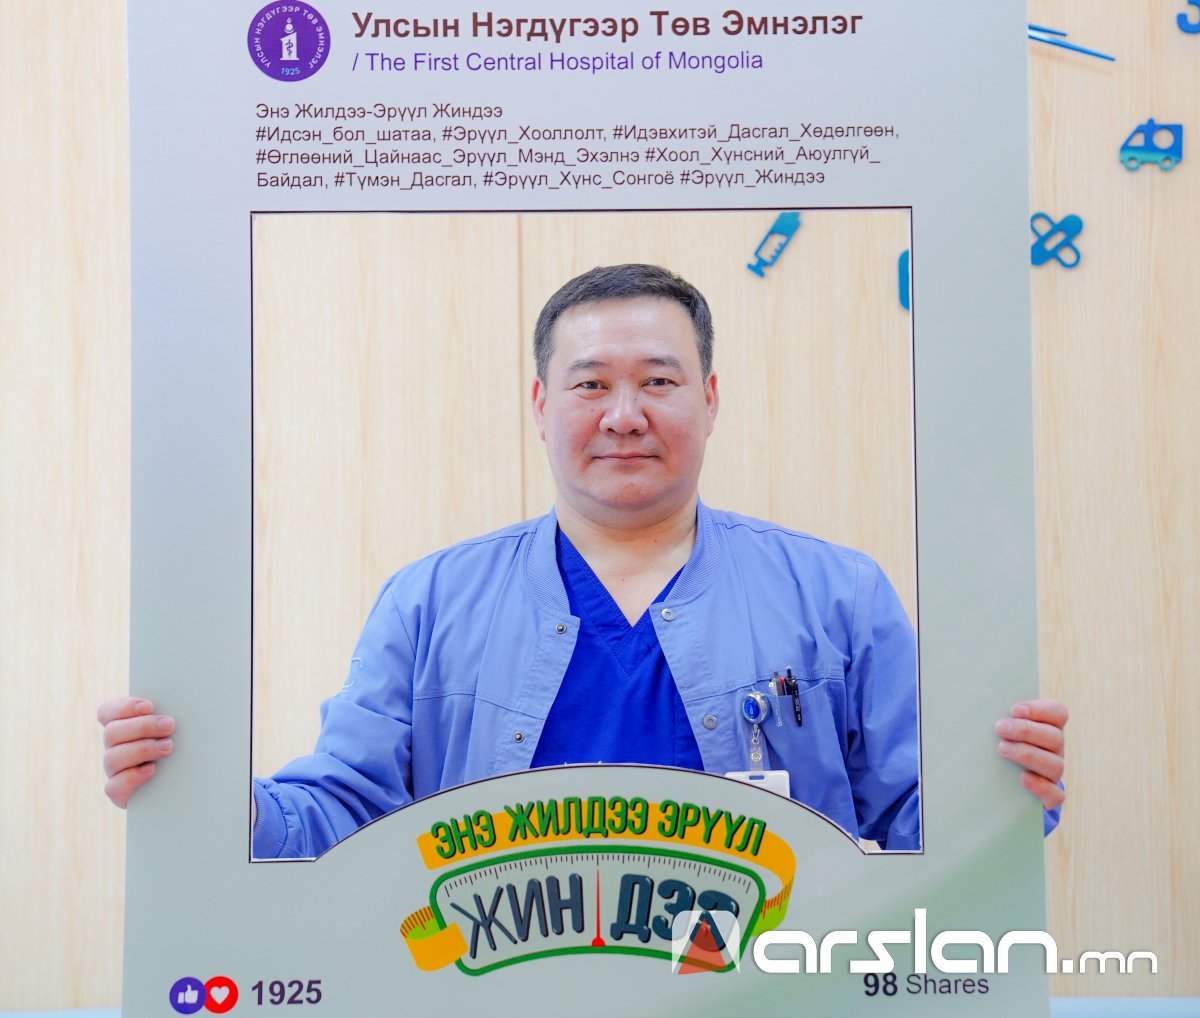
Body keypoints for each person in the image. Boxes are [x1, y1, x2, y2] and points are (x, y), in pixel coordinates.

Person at [99, 264, 1067, 858]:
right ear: (540, 405)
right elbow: (345, 811)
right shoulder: (429, 600)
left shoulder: (840, 595)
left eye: (659, 381)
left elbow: (918, 822)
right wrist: (218, 805)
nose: (625, 415)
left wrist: (1006, 792)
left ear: (711, 397)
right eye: (591, 384)